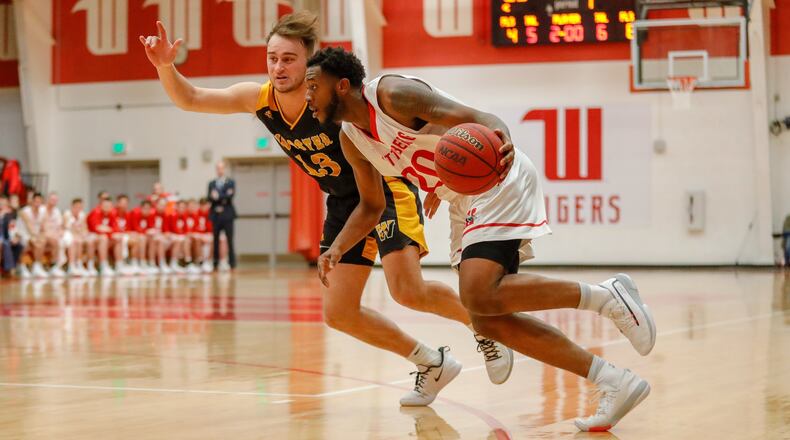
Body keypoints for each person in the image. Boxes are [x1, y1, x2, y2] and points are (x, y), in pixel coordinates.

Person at [139, 12, 513, 405]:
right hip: (342, 201)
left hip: (385, 187)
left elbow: (414, 122)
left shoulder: (332, 96)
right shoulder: (259, 98)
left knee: (408, 291)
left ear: (308, 61)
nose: (278, 67)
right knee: (339, 313)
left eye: (288, 58)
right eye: (272, 57)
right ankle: (431, 362)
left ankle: (486, 328)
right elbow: (192, 98)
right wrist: (166, 66)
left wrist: (438, 173)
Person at [304, 47, 657, 431]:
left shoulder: (391, 94)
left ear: (341, 86)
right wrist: (337, 247)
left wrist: (499, 136)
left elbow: (478, 118)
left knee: (478, 294)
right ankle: (612, 380)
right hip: (463, 198)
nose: (307, 96)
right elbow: (371, 206)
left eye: (313, 86)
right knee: (487, 321)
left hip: (495, 176)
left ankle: (608, 297)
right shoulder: (353, 140)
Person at [206, 161, 237, 271]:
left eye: (222, 168)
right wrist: (223, 196)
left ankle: (232, 263)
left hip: (228, 215)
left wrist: (218, 196)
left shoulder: (230, 182)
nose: (220, 170)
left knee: (230, 239)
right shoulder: (211, 183)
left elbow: (230, 196)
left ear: (225, 169)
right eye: (218, 168)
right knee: (215, 239)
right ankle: (215, 262)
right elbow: (209, 198)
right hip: (216, 215)